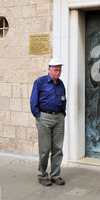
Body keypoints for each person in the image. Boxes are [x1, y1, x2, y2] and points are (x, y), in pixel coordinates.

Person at [30, 58, 67, 186]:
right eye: (56, 70)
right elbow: (33, 100)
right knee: (45, 149)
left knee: (58, 148)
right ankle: (42, 175)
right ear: (49, 70)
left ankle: (55, 175)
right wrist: (38, 116)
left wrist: (63, 114)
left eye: (60, 70)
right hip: (44, 117)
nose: (58, 73)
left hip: (59, 118)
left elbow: (63, 99)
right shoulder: (40, 82)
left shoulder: (61, 84)